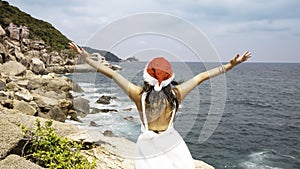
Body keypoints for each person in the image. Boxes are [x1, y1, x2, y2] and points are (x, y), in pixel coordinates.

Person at [69, 42, 251, 169]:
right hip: (172, 143)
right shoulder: (176, 94)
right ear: (169, 78)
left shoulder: (138, 94)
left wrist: (87, 59)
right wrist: (230, 65)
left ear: (147, 76)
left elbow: (111, 74)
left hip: (147, 146)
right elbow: (202, 77)